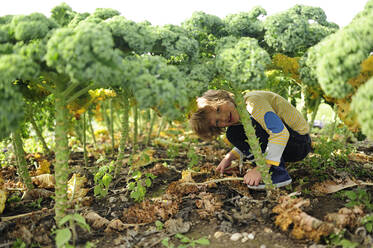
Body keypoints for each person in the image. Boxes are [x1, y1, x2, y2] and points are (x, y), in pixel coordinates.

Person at [190, 89, 312, 189]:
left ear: (225, 98)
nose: (223, 118)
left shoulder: (252, 103)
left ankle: (276, 173)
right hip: (287, 146)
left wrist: (261, 168)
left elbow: (280, 133)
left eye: (218, 109)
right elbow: (252, 136)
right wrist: (230, 156)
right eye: (217, 122)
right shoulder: (240, 117)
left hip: (299, 142)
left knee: (247, 127)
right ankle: (269, 166)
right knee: (233, 133)